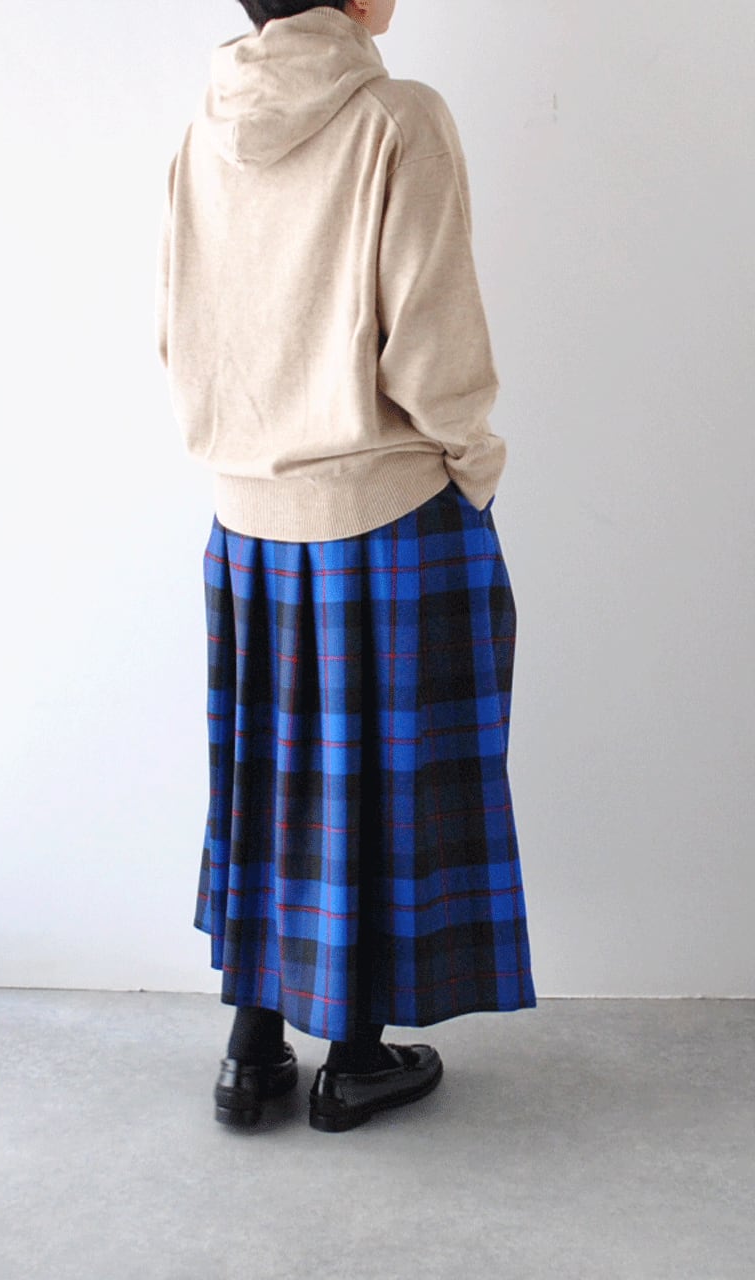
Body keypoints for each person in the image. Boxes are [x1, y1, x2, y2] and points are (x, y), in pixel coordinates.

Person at [156, 0, 536, 1133]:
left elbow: (178, 336)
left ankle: (252, 1052)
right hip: (385, 508)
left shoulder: (202, 132)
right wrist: (474, 465)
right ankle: (357, 1057)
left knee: (271, 781)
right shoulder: (395, 120)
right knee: (379, 788)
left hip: (245, 524)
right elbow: (434, 343)